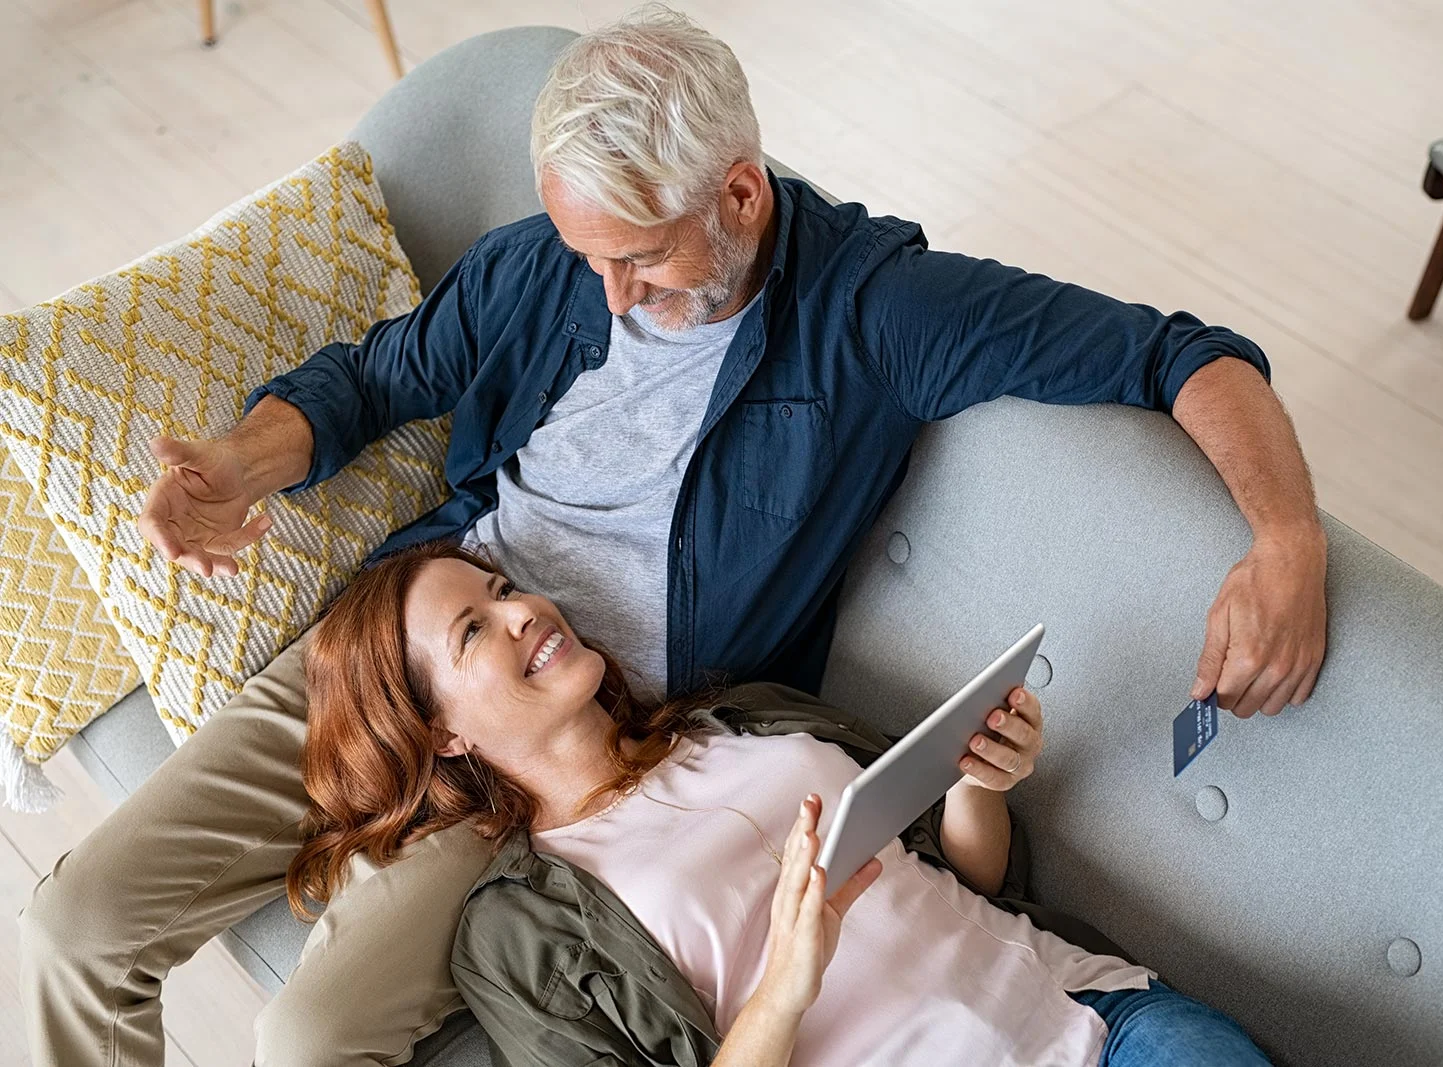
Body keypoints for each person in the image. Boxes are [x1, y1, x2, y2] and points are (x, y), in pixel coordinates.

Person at [19, 7, 1325, 1065]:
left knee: (312, 1034)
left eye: (637, 260)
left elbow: (1177, 356)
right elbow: (372, 380)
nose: (607, 290)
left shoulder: (878, 310)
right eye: (588, 254)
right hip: (411, 642)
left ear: (741, 198)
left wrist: (1285, 544)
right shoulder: (546, 265)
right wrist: (246, 463)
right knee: (78, 914)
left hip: (576, 748)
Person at [290, 539, 1276, 1066]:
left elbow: (969, 875)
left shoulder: (745, 714)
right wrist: (787, 978)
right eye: (474, 630)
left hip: (1102, 1021)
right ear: (441, 733)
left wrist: (979, 781)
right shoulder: (515, 928)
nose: (522, 612)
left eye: (502, 588)